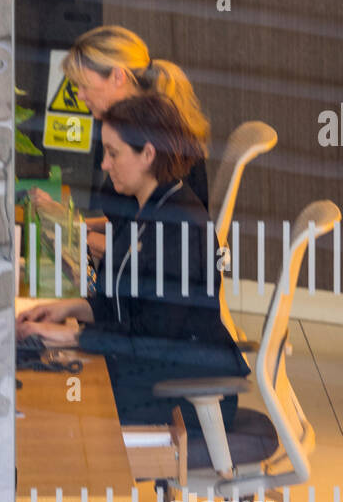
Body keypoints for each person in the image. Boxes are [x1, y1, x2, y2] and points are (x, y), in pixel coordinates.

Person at [17, 93, 248, 430]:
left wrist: (68, 338)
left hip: (185, 394)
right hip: (154, 372)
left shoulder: (178, 225)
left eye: (113, 153)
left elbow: (153, 334)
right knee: (49, 393)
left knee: (59, 409)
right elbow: (126, 307)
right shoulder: (144, 207)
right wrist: (67, 309)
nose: (104, 164)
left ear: (148, 154)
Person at [32, 26, 210, 260]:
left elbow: (148, 252)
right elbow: (130, 222)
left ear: (118, 76)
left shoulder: (153, 140)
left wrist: (71, 231)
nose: (80, 95)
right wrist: (75, 222)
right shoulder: (133, 129)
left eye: (84, 85)